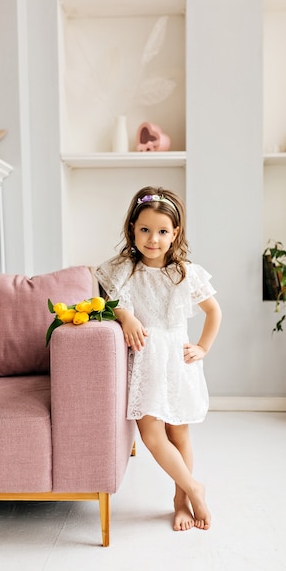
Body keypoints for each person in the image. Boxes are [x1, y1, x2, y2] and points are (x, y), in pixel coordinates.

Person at [95, 186, 222, 532]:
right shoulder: (122, 269)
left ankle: (181, 501)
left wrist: (203, 347)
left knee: (179, 433)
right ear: (133, 229)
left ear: (175, 233)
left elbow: (214, 312)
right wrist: (126, 316)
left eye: (163, 232)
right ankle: (196, 487)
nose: (153, 239)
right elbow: (110, 303)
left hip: (177, 359)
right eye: (145, 230)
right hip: (146, 360)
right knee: (152, 434)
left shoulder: (186, 272)